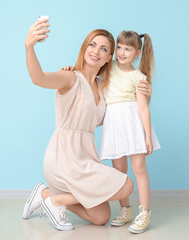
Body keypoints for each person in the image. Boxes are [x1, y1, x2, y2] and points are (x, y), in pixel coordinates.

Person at [22, 18, 151, 231]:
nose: (96, 51)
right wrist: (29, 47)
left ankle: (45, 194)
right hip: (63, 157)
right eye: (92, 44)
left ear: (110, 57)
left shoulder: (105, 86)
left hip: (86, 158)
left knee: (100, 216)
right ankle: (56, 202)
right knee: (127, 185)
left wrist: (146, 91)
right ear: (84, 47)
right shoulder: (70, 77)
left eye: (103, 49)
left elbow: (126, 103)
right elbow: (39, 78)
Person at [63, 31, 160, 234]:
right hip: (114, 123)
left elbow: (143, 108)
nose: (122, 52)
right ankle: (125, 209)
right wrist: (72, 70)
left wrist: (148, 135)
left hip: (132, 122)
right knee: (119, 172)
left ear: (137, 53)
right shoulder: (110, 68)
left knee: (139, 168)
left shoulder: (139, 77)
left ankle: (145, 212)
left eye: (128, 49)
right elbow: (87, 74)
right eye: (120, 47)